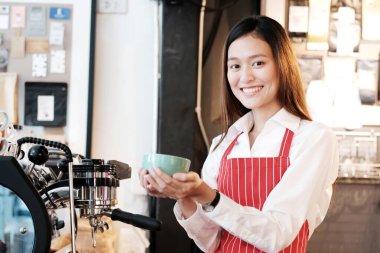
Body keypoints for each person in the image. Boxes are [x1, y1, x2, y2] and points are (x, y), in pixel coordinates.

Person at [139, 15, 338, 253]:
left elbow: (277, 234)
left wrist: (208, 195)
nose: (245, 77)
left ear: (282, 64)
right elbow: (211, 242)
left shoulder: (313, 138)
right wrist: (184, 195)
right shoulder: (223, 144)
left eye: (258, 63)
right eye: (235, 66)